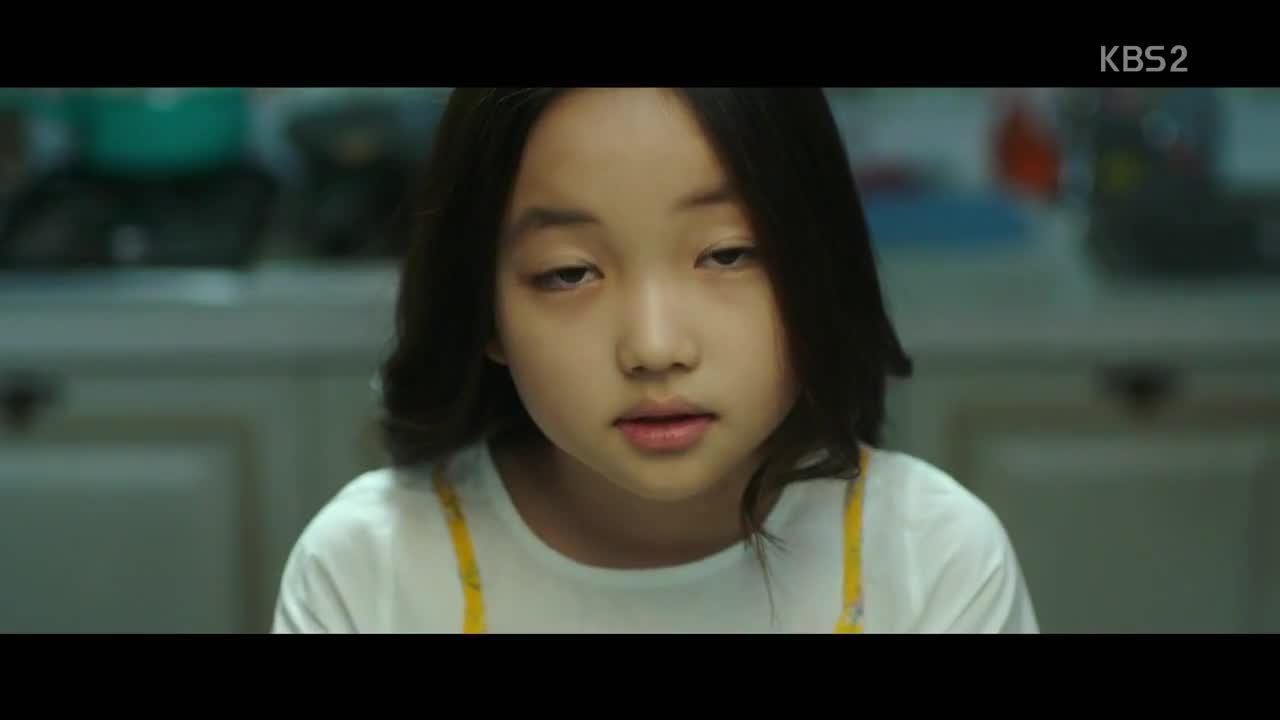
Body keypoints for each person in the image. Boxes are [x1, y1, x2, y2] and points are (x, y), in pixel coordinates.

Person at [271, 87, 1039, 634]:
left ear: (819, 263)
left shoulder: (932, 561)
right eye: (569, 272)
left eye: (728, 254)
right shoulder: (369, 570)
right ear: (485, 310)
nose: (654, 347)